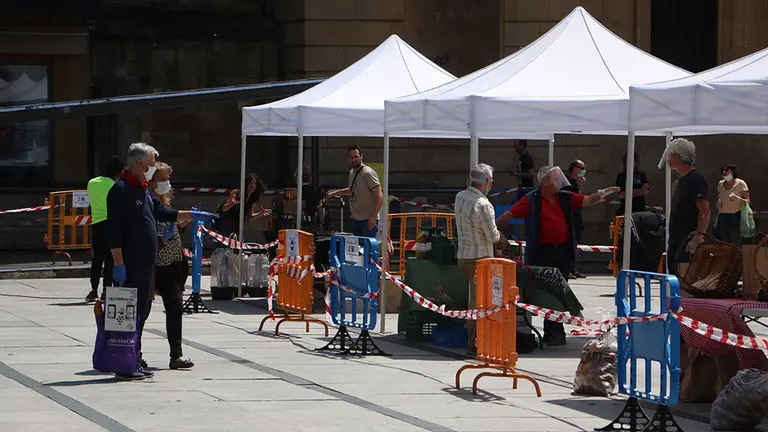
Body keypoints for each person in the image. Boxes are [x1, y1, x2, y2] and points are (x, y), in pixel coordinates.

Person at [107, 142, 217, 380]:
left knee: (141, 311)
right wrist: (118, 263)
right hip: (131, 264)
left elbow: (163, 211)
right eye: (152, 162)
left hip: (147, 264)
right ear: (140, 164)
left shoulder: (143, 189)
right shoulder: (121, 190)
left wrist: (192, 215)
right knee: (131, 314)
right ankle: (126, 362)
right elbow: (113, 231)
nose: (154, 166)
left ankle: (133, 359)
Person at [497, 166, 620, 346]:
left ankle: (554, 331)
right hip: (542, 253)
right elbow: (509, 214)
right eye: (556, 179)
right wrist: (493, 230)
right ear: (545, 183)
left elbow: (587, 200)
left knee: (560, 292)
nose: (560, 182)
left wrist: (601, 194)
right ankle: (554, 331)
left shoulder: (565, 197)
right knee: (549, 294)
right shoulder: (531, 200)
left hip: (563, 252)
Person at [454, 163, 507, 354]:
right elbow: (492, 235)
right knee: (481, 302)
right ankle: (475, 342)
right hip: (481, 258)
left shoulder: (460, 196)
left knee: (476, 298)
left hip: (464, 256)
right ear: (486, 181)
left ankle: (477, 339)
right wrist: (503, 239)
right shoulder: (483, 204)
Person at [149, 162, 194, 370]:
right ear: (151, 182)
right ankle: (134, 352)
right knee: (143, 310)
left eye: (168, 179)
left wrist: (178, 226)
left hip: (173, 263)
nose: (167, 183)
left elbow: (169, 223)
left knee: (175, 308)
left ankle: (176, 354)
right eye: (162, 179)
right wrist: (161, 237)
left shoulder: (164, 203)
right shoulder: (148, 202)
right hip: (154, 264)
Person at [662, 138, 710, 275]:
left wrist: (698, 237)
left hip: (687, 242)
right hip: (676, 240)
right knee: (674, 275)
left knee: (684, 278)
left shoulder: (695, 180)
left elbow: (705, 210)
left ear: (678, 156)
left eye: (670, 155)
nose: (667, 159)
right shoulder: (681, 181)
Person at [85, 156, 124, 303]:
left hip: (96, 224)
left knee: (96, 259)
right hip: (111, 224)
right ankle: (106, 291)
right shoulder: (116, 185)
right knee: (110, 260)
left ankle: (93, 289)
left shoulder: (92, 183)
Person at [327, 145, 383, 238]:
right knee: (356, 246)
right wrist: (334, 193)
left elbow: (379, 195)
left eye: (356, 157)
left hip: (367, 220)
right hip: (355, 219)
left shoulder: (367, 173)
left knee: (367, 245)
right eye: (351, 157)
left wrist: (373, 217)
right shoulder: (352, 172)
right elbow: (352, 189)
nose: (353, 160)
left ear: (361, 156)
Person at [715, 164, 750, 246]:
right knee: (725, 242)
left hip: (736, 215)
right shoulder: (720, 184)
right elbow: (720, 197)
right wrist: (718, 202)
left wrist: (738, 199)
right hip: (723, 216)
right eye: (722, 170)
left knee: (736, 241)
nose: (724, 172)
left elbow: (748, 202)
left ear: (732, 172)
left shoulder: (740, 183)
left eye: (727, 170)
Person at [564, 160, 587, 279]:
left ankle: (572, 268)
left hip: (577, 216)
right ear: (574, 168)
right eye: (581, 168)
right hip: (570, 217)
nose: (583, 171)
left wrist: (581, 185)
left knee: (575, 243)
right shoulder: (566, 181)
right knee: (568, 244)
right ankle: (567, 269)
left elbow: (578, 198)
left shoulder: (576, 182)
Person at [615, 152, 650, 216]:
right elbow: (622, 195)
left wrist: (629, 192)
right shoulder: (621, 176)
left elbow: (646, 192)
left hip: (640, 211)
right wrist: (640, 191)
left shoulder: (641, 175)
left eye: (633, 161)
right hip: (625, 210)